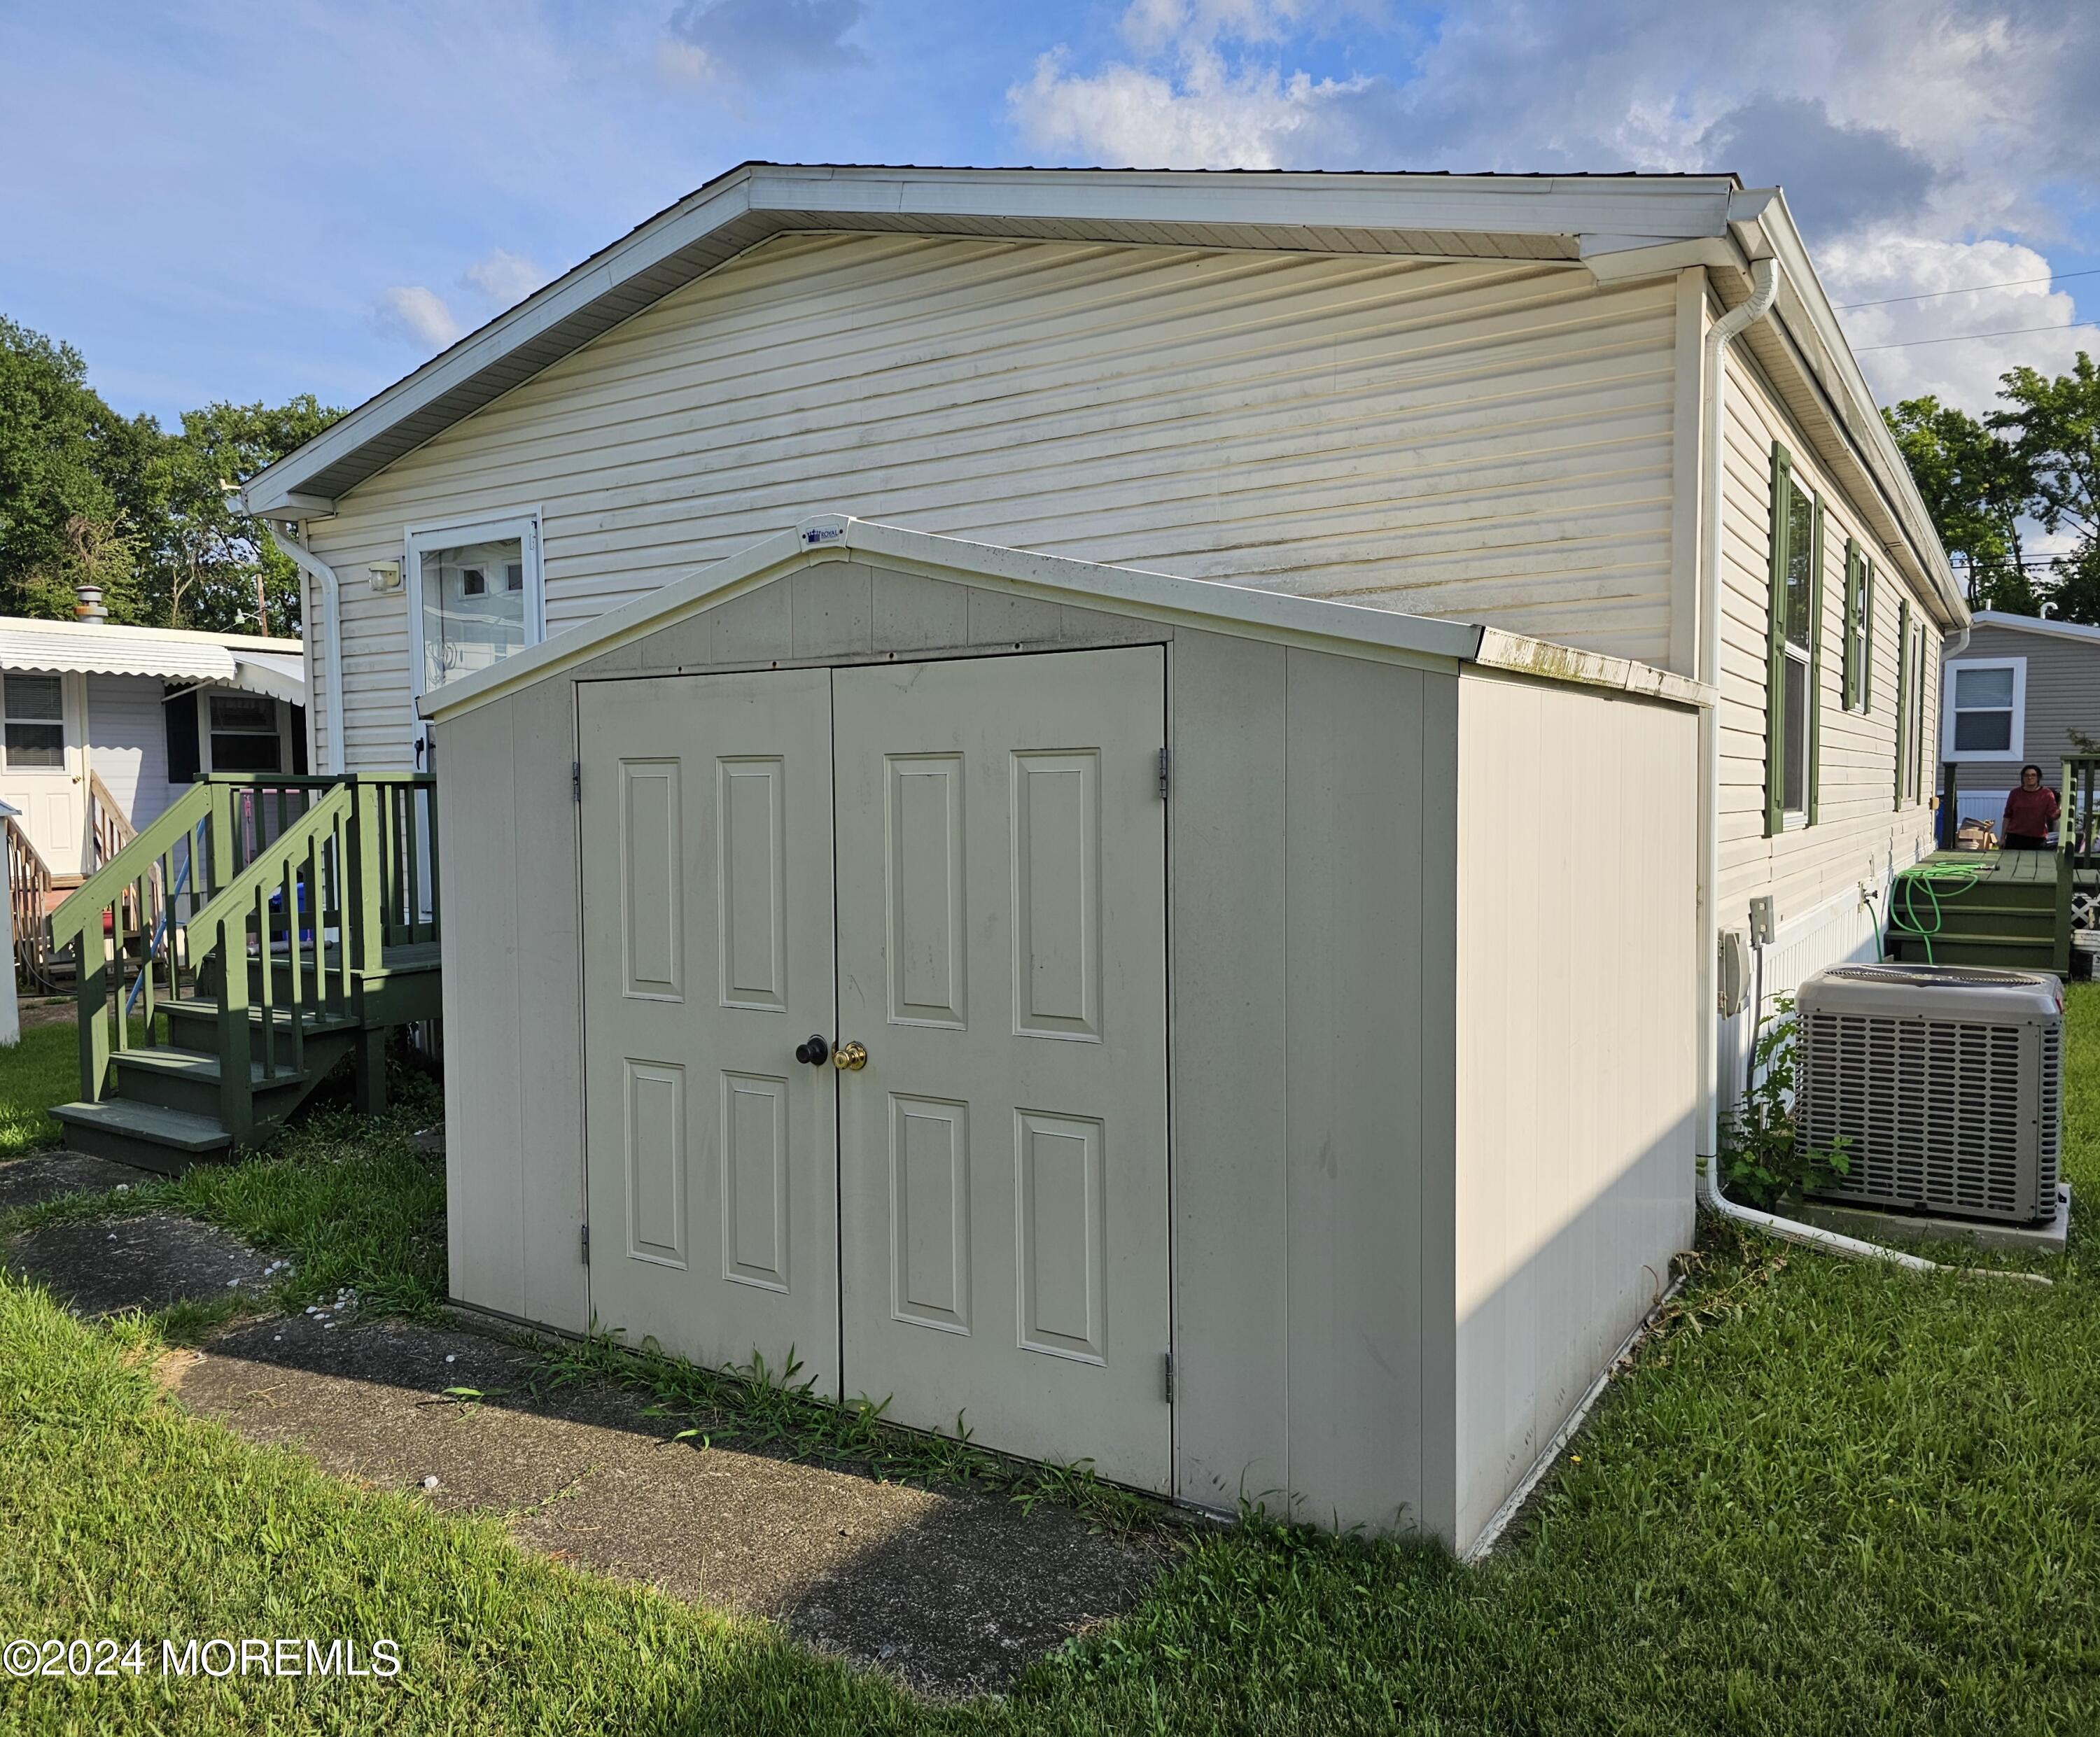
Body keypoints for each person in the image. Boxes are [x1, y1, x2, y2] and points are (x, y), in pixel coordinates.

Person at [2001, 764, 2059, 850]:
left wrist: (2062, 807)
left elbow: (2053, 815)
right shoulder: (2015, 793)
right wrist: (2002, 838)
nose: (2030, 778)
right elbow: (2007, 816)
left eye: (2033, 775)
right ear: (2023, 778)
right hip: (2015, 837)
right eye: (2026, 775)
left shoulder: (2046, 794)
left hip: (2037, 839)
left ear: (2038, 778)